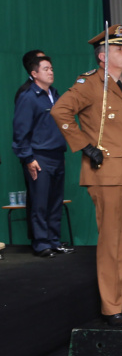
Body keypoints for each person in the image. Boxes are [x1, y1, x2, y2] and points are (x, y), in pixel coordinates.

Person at [50, 24, 122, 328]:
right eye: (121, 49)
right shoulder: (90, 84)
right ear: (103, 56)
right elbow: (60, 112)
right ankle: (111, 308)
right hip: (106, 172)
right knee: (110, 242)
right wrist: (85, 146)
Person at [11, 54, 73, 257]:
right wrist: (28, 158)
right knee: (40, 201)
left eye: (51, 68)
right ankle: (41, 243)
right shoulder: (28, 96)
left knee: (56, 201)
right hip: (39, 157)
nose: (51, 71)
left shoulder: (54, 93)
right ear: (34, 73)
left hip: (57, 154)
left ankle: (54, 240)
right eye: (46, 69)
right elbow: (20, 131)